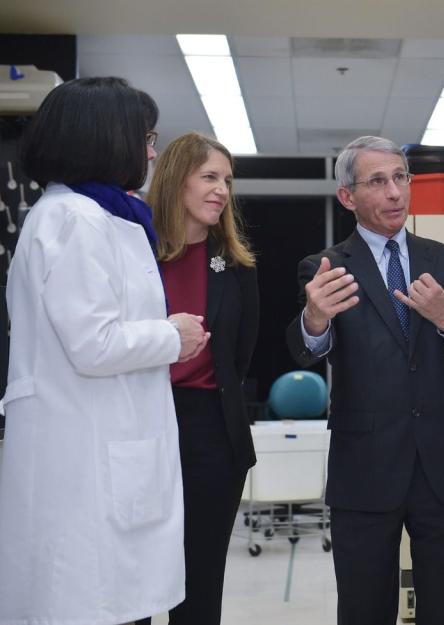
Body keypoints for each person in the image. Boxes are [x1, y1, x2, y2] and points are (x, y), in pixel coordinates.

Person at [0, 77, 209, 625]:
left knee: (111, 600)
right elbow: (92, 344)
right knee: (89, 602)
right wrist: (173, 335)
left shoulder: (96, 215)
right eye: (145, 137)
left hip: (103, 446)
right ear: (105, 137)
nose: (151, 151)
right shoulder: (74, 220)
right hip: (84, 459)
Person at [286, 135, 444, 625]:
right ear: (348, 197)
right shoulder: (325, 268)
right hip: (365, 468)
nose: (395, 192)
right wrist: (314, 321)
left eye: (401, 178)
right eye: (378, 181)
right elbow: (307, 349)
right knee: (364, 610)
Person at [143, 132, 260, 624]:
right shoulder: (137, 251)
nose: (222, 191)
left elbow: (242, 354)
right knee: (141, 579)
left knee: (200, 581)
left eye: (227, 180)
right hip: (144, 425)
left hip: (212, 430)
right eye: (209, 177)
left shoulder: (235, 264)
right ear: (175, 181)